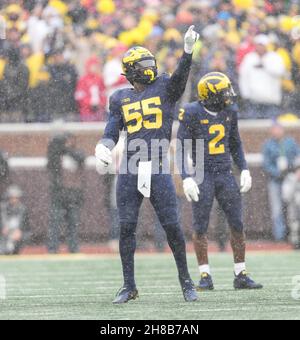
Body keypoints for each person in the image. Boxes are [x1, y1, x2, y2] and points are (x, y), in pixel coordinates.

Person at [95, 26, 200, 304]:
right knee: (127, 227)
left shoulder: (164, 86)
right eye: (143, 64)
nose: (150, 67)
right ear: (131, 70)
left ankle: (186, 282)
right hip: (129, 168)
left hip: (157, 166)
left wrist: (187, 52)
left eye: (150, 62)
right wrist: (103, 147)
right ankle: (129, 286)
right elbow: (111, 131)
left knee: (172, 227)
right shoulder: (119, 98)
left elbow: (180, 77)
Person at [177, 72, 263, 291]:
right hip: (202, 174)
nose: (229, 95)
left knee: (237, 223)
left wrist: (244, 169)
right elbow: (181, 149)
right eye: (224, 91)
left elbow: (235, 143)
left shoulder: (230, 111)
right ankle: (205, 276)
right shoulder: (191, 112)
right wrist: (186, 178)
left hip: (225, 173)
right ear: (211, 94)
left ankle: (240, 274)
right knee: (200, 226)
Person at [47, 133, 86, 254]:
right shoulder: (57, 155)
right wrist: (56, 145)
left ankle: (73, 247)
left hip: (73, 194)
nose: (68, 143)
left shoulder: (78, 153)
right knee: (55, 222)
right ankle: (53, 247)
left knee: (73, 223)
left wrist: (66, 149)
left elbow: (80, 158)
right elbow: (50, 161)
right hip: (59, 194)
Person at [263, 122, 299, 241]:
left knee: (293, 206)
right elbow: (266, 164)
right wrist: (278, 173)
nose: (277, 132)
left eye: (278, 129)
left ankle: (293, 234)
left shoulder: (290, 142)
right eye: (274, 129)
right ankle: (280, 236)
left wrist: (293, 170)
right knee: (277, 208)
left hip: (290, 178)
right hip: (275, 180)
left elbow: (297, 157)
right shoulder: (268, 144)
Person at [239, 34, 286, 119]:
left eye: (262, 45)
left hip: (271, 100)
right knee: (254, 128)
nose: (260, 47)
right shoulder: (249, 58)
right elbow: (243, 76)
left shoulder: (274, 57)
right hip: (254, 100)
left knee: (271, 128)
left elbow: (280, 72)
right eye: (258, 45)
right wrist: (245, 94)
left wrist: (265, 65)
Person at [0, 185, 30, 255]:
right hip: (3, 238)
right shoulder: (2, 209)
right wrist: (2, 228)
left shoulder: (23, 210)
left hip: (16, 239)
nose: (14, 200)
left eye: (16, 197)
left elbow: (28, 229)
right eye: (12, 197)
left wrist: (20, 233)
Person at [75, 56, 107, 122]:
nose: (94, 68)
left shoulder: (100, 79)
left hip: (99, 109)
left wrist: (101, 103)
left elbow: (103, 93)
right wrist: (89, 104)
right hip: (86, 110)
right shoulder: (83, 80)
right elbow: (80, 96)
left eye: (96, 66)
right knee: (88, 128)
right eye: (93, 66)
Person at [283, 159, 300, 250]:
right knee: (295, 226)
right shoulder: (290, 179)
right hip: (294, 212)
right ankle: (295, 243)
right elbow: (286, 196)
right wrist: (295, 181)